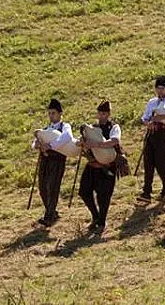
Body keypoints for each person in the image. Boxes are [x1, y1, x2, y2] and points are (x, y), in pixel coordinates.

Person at [78, 100, 122, 233]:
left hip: (107, 166)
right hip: (92, 165)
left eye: (104, 114)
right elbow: (85, 142)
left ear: (108, 114)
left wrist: (96, 145)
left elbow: (114, 141)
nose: (101, 116)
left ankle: (102, 223)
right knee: (84, 191)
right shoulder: (92, 128)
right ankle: (95, 216)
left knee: (104, 197)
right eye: (100, 113)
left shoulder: (114, 127)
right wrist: (83, 142)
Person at [31, 99, 73, 227]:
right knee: (43, 188)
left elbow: (67, 137)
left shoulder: (65, 126)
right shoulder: (46, 129)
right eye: (49, 113)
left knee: (52, 187)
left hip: (57, 160)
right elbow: (34, 144)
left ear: (60, 114)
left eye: (53, 113)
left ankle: (49, 217)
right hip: (45, 160)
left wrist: (50, 146)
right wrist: (37, 144)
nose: (51, 116)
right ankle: (52, 212)